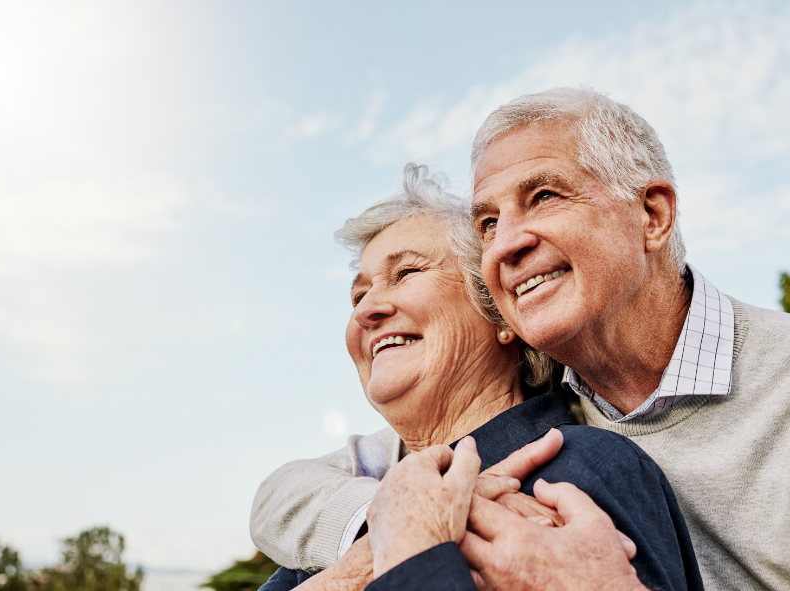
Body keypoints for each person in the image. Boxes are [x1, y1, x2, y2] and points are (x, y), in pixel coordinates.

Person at [253, 88, 790, 590]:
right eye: (487, 224)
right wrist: (382, 527)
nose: (507, 244)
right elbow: (282, 492)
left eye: (545, 196)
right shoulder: (428, 467)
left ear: (653, 215)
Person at [253, 164, 702, 591]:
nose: (366, 311)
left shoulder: (580, 469)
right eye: (359, 293)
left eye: (406, 272)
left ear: (500, 311)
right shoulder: (344, 521)